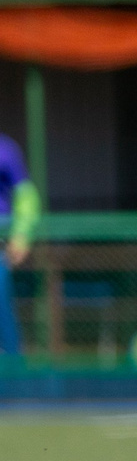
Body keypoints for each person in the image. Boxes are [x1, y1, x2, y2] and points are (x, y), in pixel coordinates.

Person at [0, 128, 35, 360]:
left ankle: (13, 365)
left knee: (2, 308)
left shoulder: (5, 149)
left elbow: (26, 195)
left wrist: (21, 235)